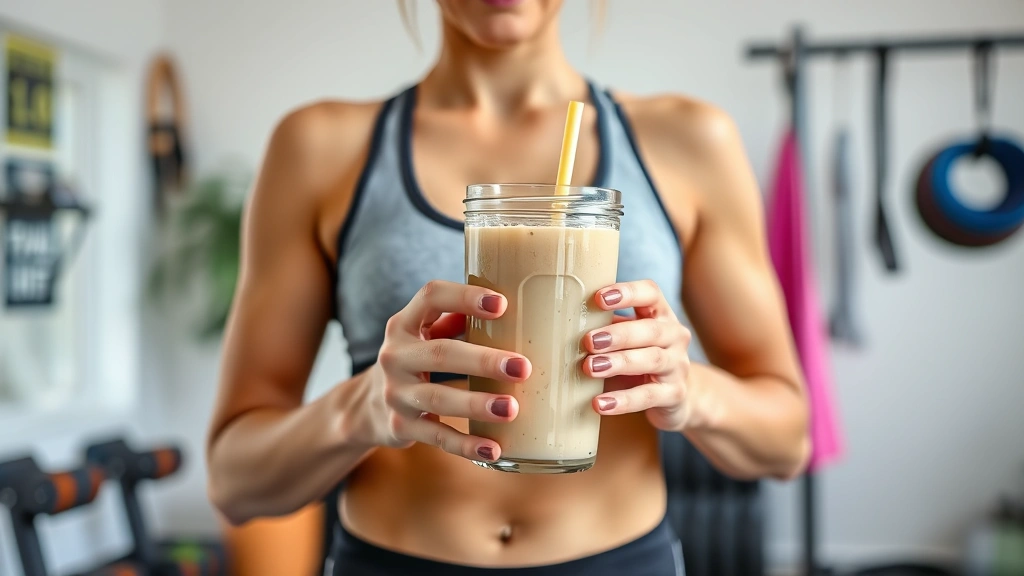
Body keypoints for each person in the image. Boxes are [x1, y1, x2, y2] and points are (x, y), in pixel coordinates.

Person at [206, 1, 810, 574]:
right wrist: (361, 408)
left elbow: (788, 443)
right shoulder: (318, 147)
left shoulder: (690, 140)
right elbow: (235, 482)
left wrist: (691, 391)